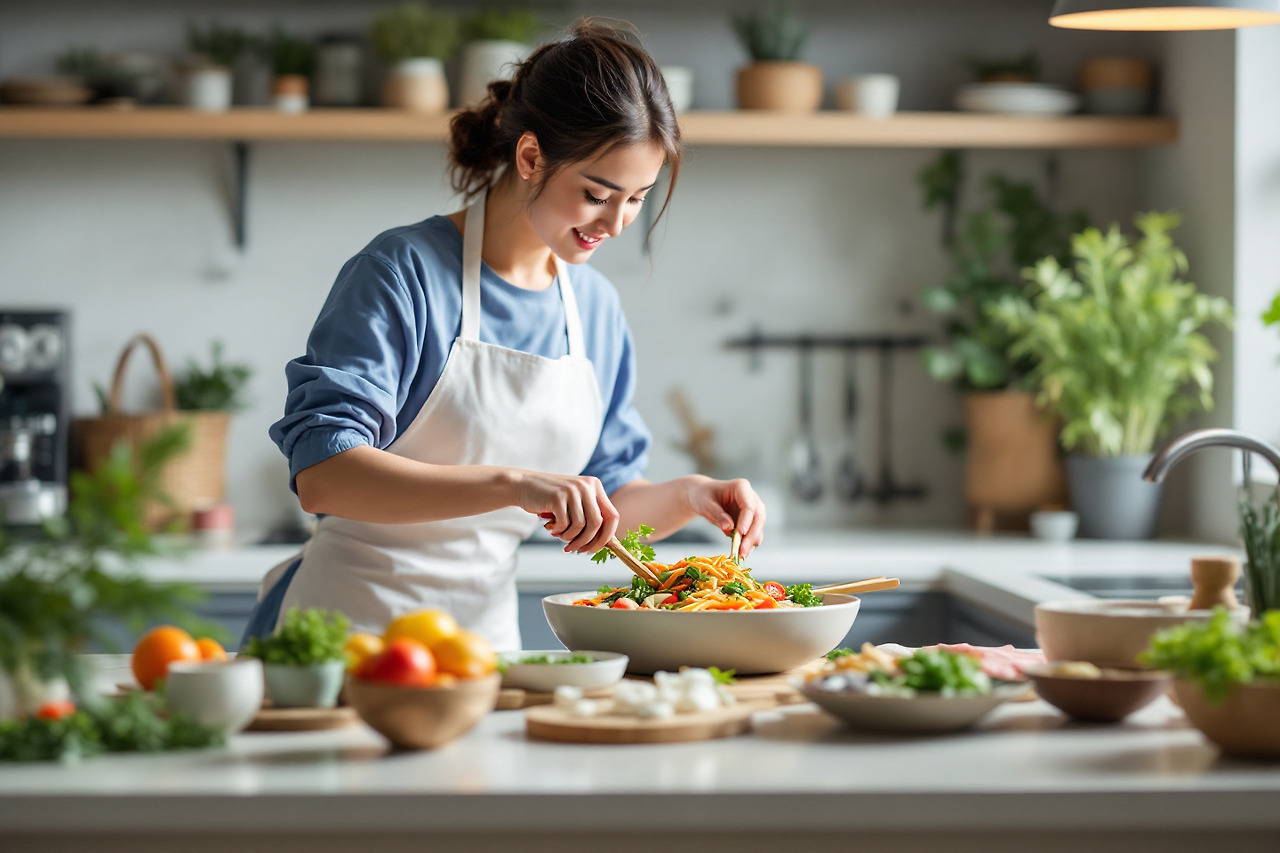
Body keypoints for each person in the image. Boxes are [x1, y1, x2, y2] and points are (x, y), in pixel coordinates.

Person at [241, 20, 767, 651]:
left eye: (636, 200)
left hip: (482, 651)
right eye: (597, 194)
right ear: (530, 157)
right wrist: (514, 485)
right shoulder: (402, 273)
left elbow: (608, 509)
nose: (616, 225)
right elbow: (323, 474)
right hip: (344, 638)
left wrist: (693, 495)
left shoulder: (594, 309)